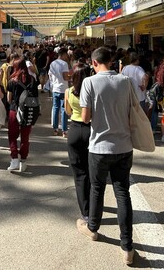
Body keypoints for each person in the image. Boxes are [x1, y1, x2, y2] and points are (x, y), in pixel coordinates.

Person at [77, 47, 135, 266]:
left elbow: (85, 117)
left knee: (97, 188)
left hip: (99, 147)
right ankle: (127, 246)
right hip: (124, 145)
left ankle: (92, 228)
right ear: (111, 61)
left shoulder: (89, 83)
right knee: (123, 193)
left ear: (93, 63)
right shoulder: (125, 81)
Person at [64, 63, 90, 222]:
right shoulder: (92, 92)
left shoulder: (68, 91)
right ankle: (94, 205)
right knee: (92, 171)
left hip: (74, 130)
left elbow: (68, 111)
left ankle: (85, 212)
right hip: (90, 130)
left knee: (79, 174)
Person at [6, 57, 39, 172]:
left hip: (14, 111)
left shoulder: (12, 81)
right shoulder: (32, 80)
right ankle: (23, 161)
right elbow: (36, 97)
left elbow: (9, 99)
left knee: (12, 135)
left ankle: (14, 159)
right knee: (25, 137)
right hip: (28, 110)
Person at [48, 47, 70, 137]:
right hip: (63, 89)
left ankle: (55, 129)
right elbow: (65, 77)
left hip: (55, 89)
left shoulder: (52, 63)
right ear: (64, 54)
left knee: (55, 109)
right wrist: (71, 78)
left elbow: (50, 75)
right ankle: (64, 130)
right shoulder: (64, 64)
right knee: (64, 110)